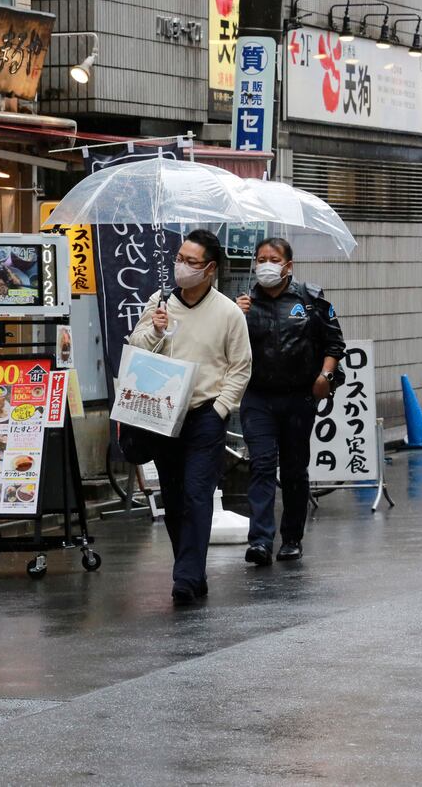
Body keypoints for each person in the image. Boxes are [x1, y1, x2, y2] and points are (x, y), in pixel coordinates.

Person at [129, 229, 252, 605]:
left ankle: (184, 577)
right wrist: (156, 329)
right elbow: (136, 347)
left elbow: (240, 367)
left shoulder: (228, 312)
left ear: (210, 268)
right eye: (179, 258)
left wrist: (220, 409)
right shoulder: (160, 302)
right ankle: (193, 571)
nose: (181, 266)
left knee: (198, 494)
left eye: (191, 261)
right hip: (164, 415)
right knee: (174, 496)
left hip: (205, 415)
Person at [235, 238, 345, 565]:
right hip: (258, 397)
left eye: (273, 259)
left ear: (288, 266)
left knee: (295, 469)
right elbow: (226, 347)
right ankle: (260, 540)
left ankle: (292, 538)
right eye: (260, 259)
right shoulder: (243, 303)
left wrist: (324, 376)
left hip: (299, 397)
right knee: (262, 464)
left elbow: (334, 343)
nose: (266, 265)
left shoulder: (310, 299)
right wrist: (236, 317)